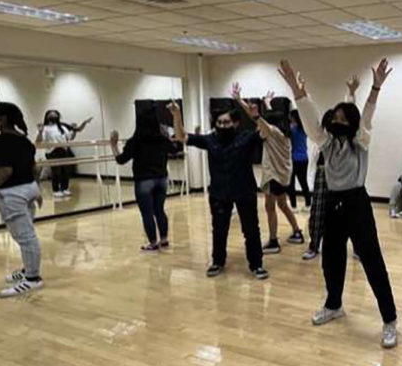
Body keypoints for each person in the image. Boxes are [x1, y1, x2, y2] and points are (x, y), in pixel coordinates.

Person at [279, 58, 399, 348]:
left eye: (343, 119)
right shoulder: (327, 141)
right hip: (334, 202)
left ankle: (389, 320)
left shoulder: (361, 141)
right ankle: (334, 305)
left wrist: (375, 88)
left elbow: (365, 116)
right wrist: (297, 91)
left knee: (372, 261)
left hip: (357, 202)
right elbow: (311, 121)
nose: (337, 121)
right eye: (336, 118)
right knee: (332, 257)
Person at [168, 101, 267, 280]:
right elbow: (181, 136)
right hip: (219, 192)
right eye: (219, 122)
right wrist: (177, 115)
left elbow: (266, 132)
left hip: (244, 190)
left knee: (251, 229)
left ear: (235, 123)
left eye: (226, 122)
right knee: (219, 229)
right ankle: (217, 261)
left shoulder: (245, 137)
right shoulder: (210, 140)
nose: (222, 125)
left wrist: (257, 116)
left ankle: (257, 264)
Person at [231, 84, 305, 254]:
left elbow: (257, 119)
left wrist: (239, 101)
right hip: (284, 176)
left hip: (274, 177)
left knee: (270, 207)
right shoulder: (284, 134)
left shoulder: (271, 132)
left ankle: (273, 241)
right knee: (283, 204)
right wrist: (268, 103)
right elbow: (269, 119)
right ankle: (297, 231)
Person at [302, 76, 360, 262]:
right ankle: (314, 244)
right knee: (317, 212)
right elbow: (309, 114)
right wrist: (301, 92)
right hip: (321, 175)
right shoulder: (321, 140)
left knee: (349, 215)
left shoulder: (344, 140)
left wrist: (351, 93)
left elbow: (350, 113)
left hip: (343, 180)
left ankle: (357, 247)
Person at [110, 106, 181, 251]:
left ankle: (153, 243)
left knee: (147, 213)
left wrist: (113, 145)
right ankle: (164, 239)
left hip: (143, 181)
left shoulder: (135, 141)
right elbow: (176, 147)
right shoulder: (162, 139)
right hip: (162, 179)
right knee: (159, 210)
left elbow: (121, 160)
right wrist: (175, 119)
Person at [0, 102, 44, 298]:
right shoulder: (24, 141)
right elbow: (34, 169)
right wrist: (38, 190)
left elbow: (4, 171)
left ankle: (33, 279)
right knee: (27, 234)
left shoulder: (0, 142)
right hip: (29, 188)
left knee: (25, 237)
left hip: (12, 193)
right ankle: (28, 269)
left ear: (3, 118)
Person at [36, 110, 93, 198]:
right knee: (56, 171)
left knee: (65, 171)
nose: (53, 116)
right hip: (52, 152)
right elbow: (38, 141)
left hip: (64, 150)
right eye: (51, 115)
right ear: (47, 117)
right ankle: (56, 190)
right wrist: (40, 132)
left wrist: (84, 123)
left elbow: (72, 136)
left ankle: (64, 188)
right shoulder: (45, 128)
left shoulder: (62, 127)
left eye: (55, 115)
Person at [287, 109, 312, 210]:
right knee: (304, 182)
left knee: (291, 183)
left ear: (293, 118)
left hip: (293, 159)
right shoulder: (304, 129)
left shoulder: (291, 130)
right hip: (304, 159)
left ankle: (293, 206)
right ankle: (308, 204)